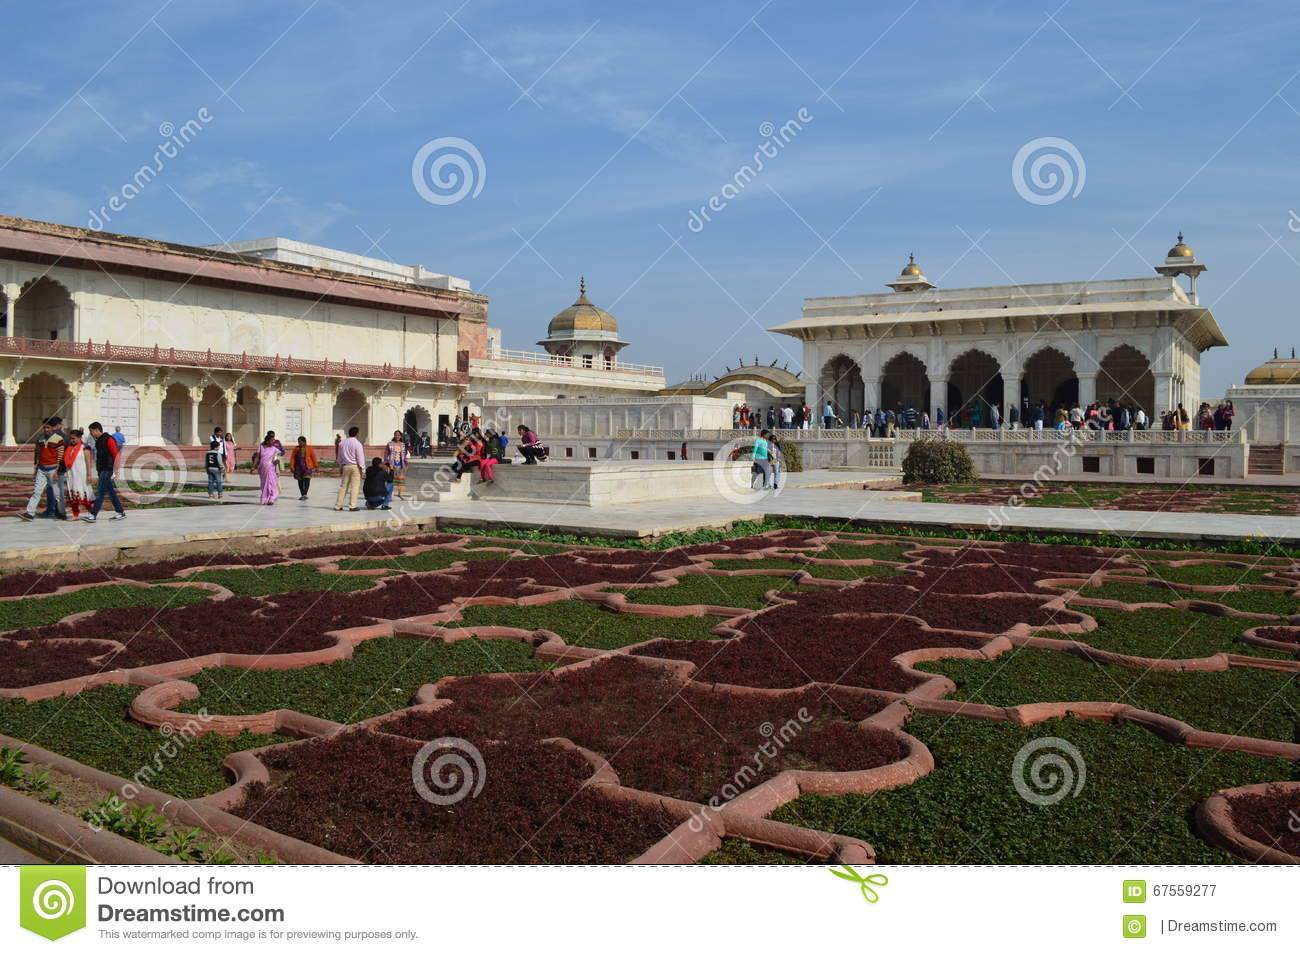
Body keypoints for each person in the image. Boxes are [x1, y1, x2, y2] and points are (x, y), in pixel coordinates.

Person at [22, 418, 66, 521]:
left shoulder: (58, 439)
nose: (46, 429)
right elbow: (37, 453)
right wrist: (35, 468)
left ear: (53, 428)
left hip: (53, 469)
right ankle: (30, 513)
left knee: (57, 493)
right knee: (37, 492)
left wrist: (57, 471)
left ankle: (61, 512)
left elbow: (60, 456)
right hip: (41, 469)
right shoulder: (40, 438)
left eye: (48, 427)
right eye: (44, 427)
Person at [83, 421, 125, 522]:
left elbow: (115, 454)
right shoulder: (99, 441)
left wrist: (116, 470)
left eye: (92, 431)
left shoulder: (109, 439)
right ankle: (120, 512)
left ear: (97, 430)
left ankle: (93, 514)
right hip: (102, 469)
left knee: (100, 492)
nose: (91, 434)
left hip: (108, 469)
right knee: (110, 492)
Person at [60, 429, 91, 520]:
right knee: (72, 494)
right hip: (71, 475)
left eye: (73, 438)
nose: (71, 440)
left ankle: (91, 513)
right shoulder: (69, 448)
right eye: (70, 438)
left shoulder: (84, 448)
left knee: (83, 494)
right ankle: (75, 514)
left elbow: (88, 462)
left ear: (79, 438)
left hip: (81, 476)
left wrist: (89, 475)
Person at [335, 425, 365, 511]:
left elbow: (339, 457)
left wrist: (340, 466)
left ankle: (338, 505)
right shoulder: (357, 444)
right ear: (357, 434)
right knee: (355, 487)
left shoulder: (342, 443)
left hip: (345, 466)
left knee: (343, 486)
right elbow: (360, 458)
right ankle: (352, 506)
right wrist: (363, 469)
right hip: (355, 466)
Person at [250, 431, 283, 505]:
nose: (273, 442)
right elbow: (257, 457)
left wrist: (277, 461)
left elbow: (277, 458)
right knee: (264, 484)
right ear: (267, 441)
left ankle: (271, 498)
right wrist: (253, 467)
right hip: (262, 468)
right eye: (271, 441)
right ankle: (265, 499)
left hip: (271, 467)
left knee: (272, 483)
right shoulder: (261, 447)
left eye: (273, 441)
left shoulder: (274, 449)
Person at [384, 430, 408, 500]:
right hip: (392, 465)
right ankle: (390, 494)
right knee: (391, 480)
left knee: (400, 480)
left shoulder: (403, 444)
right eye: (395, 435)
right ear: (394, 436)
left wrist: (406, 464)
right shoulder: (390, 444)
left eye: (398, 435)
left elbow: (405, 456)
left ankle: (400, 494)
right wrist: (386, 463)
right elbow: (386, 454)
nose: (397, 436)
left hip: (400, 465)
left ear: (400, 436)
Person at [205, 427, 227, 500]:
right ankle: (220, 495)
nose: (218, 448)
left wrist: (206, 469)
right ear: (216, 447)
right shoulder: (218, 454)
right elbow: (220, 463)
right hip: (217, 469)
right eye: (218, 447)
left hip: (210, 468)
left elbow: (206, 462)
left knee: (210, 482)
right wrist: (223, 469)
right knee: (219, 482)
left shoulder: (208, 453)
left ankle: (211, 495)